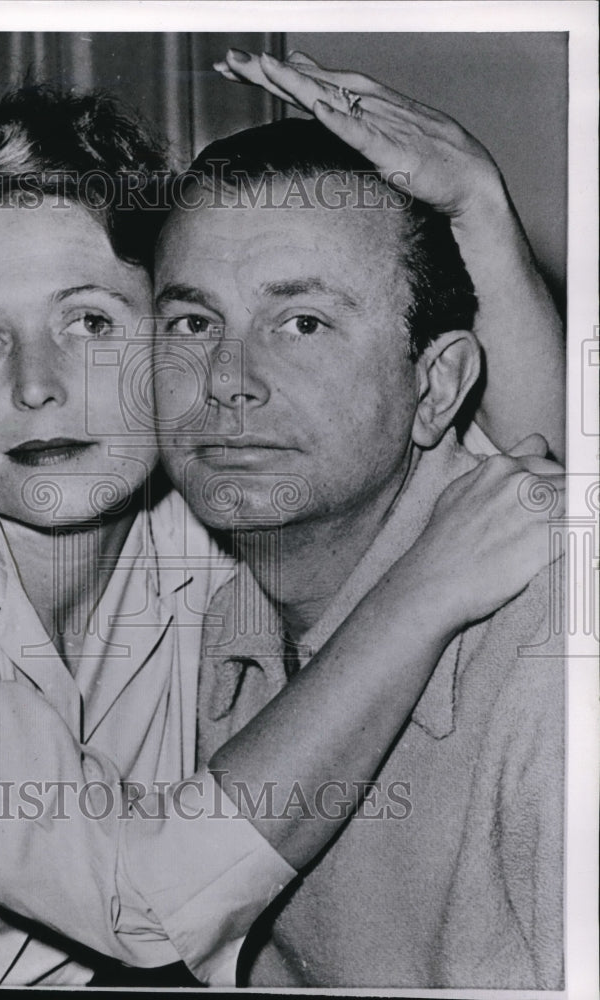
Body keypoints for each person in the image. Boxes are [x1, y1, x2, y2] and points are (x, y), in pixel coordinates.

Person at [0, 83, 561, 985]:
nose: (37, 384)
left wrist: (481, 211)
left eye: (89, 322)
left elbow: (532, 476)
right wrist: (425, 591)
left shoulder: (200, 510)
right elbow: (144, 904)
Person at [151, 51, 566, 989]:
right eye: (190, 323)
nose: (225, 381)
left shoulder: (557, 678)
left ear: (439, 387)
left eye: (302, 324)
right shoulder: (218, 624)